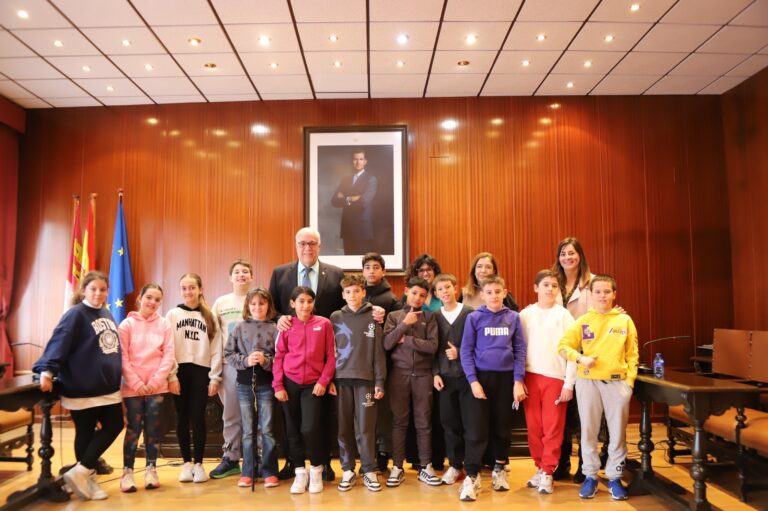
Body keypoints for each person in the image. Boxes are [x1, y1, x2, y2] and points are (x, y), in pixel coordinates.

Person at [33, 271, 123, 501]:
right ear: (84, 290)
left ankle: (81, 473)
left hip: (107, 387)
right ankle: (87, 480)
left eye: (102, 289)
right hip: (83, 385)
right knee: (85, 432)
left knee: (114, 425)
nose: (98, 293)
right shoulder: (75, 314)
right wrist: (47, 371)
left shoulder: (106, 312)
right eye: (93, 289)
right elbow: (60, 341)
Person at [558, 274, 638, 501]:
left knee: (617, 433)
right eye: (598, 292)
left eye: (607, 291)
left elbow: (633, 354)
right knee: (589, 431)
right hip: (588, 383)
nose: (602, 295)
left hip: (617, 383)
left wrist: (629, 383)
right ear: (590, 295)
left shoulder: (624, 321)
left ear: (614, 294)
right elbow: (563, 346)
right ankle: (590, 476)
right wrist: (580, 359)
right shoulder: (582, 321)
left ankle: (614, 476)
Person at [458, 276, 527, 502]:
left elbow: (519, 350)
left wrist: (518, 380)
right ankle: (472, 475)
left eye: (498, 291)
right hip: (480, 380)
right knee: (477, 429)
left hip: (506, 380)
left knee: (502, 428)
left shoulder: (513, 318)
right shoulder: (474, 318)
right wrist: (473, 381)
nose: (494, 296)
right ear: (482, 294)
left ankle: (499, 469)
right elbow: (466, 351)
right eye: (489, 292)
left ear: (505, 292)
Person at [272, 286, 336, 494]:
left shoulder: (324, 324)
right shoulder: (286, 325)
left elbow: (331, 356)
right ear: (292, 304)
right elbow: (279, 356)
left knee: (310, 428)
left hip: (314, 385)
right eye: (301, 301)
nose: (305, 305)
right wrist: (278, 385)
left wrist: (323, 381)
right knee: (292, 430)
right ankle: (300, 472)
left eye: (309, 301)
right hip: (290, 384)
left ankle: (316, 469)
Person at [519, 270, 576, 495]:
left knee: (553, 428)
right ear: (536, 288)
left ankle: (548, 471)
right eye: (545, 285)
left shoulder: (564, 316)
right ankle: (539, 467)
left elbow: (573, 351)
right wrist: (518, 379)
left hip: (556, 378)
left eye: (554, 285)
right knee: (534, 428)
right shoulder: (525, 315)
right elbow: (518, 348)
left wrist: (569, 384)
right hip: (530, 377)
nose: (550, 289)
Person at [329, 274, 386, 492]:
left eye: (356, 291)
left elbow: (379, 353)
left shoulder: (374, 315)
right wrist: (330, 379)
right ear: (343, 295)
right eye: (348, 292)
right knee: (343, 428)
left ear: (363, 292)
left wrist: (379, 381)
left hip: (367, 381)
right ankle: (347, 470)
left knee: (366, 428)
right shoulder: (335, 317)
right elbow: (328, 351)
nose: (352, 295)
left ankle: (369, 470)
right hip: (341, 379)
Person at [383, 277, 441, 488]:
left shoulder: (430, 317)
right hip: (399, 375)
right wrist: (403, 326)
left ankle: (425, 466)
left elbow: (432, 346)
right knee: (399, 423)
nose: (418, 298)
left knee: (424, 422)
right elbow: (387, 343)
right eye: (414, 293)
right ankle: (397, 466)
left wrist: (406, 340)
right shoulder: (394, 316)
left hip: (424, 376)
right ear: (406, 291)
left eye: (423, 295)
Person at [118, 283, 176, 493]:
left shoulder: (164, 325)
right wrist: (136, 383)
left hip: (156, 387)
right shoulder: (126, 325)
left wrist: (154, 382)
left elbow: (169, 355)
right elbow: (122, 356)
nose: (152, 302)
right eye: (149, 297)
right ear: (140, 297)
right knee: (134, 429)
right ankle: (127, 473)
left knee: (153, 429)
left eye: (157, 300)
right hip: (133, 388)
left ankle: (151, 469)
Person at [166, 273, 222, 484]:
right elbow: (167, 347)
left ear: (200, 289)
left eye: (192, 287)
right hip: (179, 371)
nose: (188, 292)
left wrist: (215, 377)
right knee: (181, 417)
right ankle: (186, 463)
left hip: (201, 370)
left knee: (198, 417)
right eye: (184, 288)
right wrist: (171, 374)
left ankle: (199, 464)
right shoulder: (172, 314)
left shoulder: (210, 316)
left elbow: (216, 349)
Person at [224, 287, 280, 488]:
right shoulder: (239, 328)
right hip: (244, 384)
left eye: (262, 304)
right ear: (248, 306)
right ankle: (248, 471)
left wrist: (266, 360)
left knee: (267, 429)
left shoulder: (275, 328)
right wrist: (246, 360)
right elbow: (229, 354)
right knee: (247, 430)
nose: (257, 307)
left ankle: (269, 471)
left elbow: (281, 357)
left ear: (269, 306)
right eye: (253, 304)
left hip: (267, 385)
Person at [209, 260, 254, 479]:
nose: (241, 275)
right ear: (230, 277)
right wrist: (215, 373)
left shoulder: (258, 300)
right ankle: (231, 457)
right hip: (230, 366)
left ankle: (255, 458)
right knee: (231, 413)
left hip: (254, 366)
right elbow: (216, 338)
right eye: (236, 271)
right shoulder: (221, 302)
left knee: (256, 414)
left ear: (251, 277)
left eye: (245, 271)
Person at [432, 273, 474, 485]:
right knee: (450, 424)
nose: (445, 292)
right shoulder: (435, 317)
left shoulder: (469, 313)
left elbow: (478, 344)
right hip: (445, 378)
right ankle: (455, 465)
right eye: (440, 289)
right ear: (436, 294)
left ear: (456, 288)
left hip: (468, 377)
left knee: (470, 423)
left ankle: (471, 465)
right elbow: (432, 349)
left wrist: (460, 351)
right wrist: (435, 373)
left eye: (447, 287)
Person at [361, 251, 401, 471]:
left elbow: (395, 334)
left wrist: (384, 319)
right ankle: (367, 454)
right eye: (367, 267)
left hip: (384, 362)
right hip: (359, 362)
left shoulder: (391, 299)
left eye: (376, 267)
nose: (371, 271)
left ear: (383, 271)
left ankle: (383, 452)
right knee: (364, 410)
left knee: (383, 410)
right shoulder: (355, 295)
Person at [330, 149, 378, 255]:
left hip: (362, 230)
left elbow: (363, 202)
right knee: (348, 262)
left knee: (362, 263)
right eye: (355, 159)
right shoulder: (345, 180)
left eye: (361, 159)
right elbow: (334, 201)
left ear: (365, 161)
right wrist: (351, 198)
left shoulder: (371, 179)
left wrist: (344, 198)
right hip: (347, 229)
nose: (358, 162)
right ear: (352, 161)